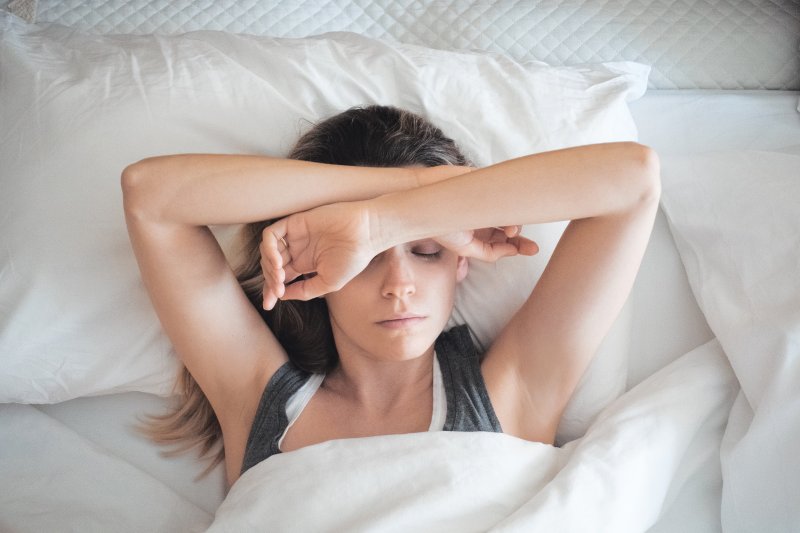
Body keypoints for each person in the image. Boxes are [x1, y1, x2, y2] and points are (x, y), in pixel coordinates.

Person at [122, 105, 660, 489]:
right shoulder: (258, 400)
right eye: (366, 257)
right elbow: (150, 194)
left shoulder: (511, 391)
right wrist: (416, 192)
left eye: (427, 251)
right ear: (308, 267)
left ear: (461, 263)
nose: (398, 284)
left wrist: (380, 221)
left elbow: (633, 179)